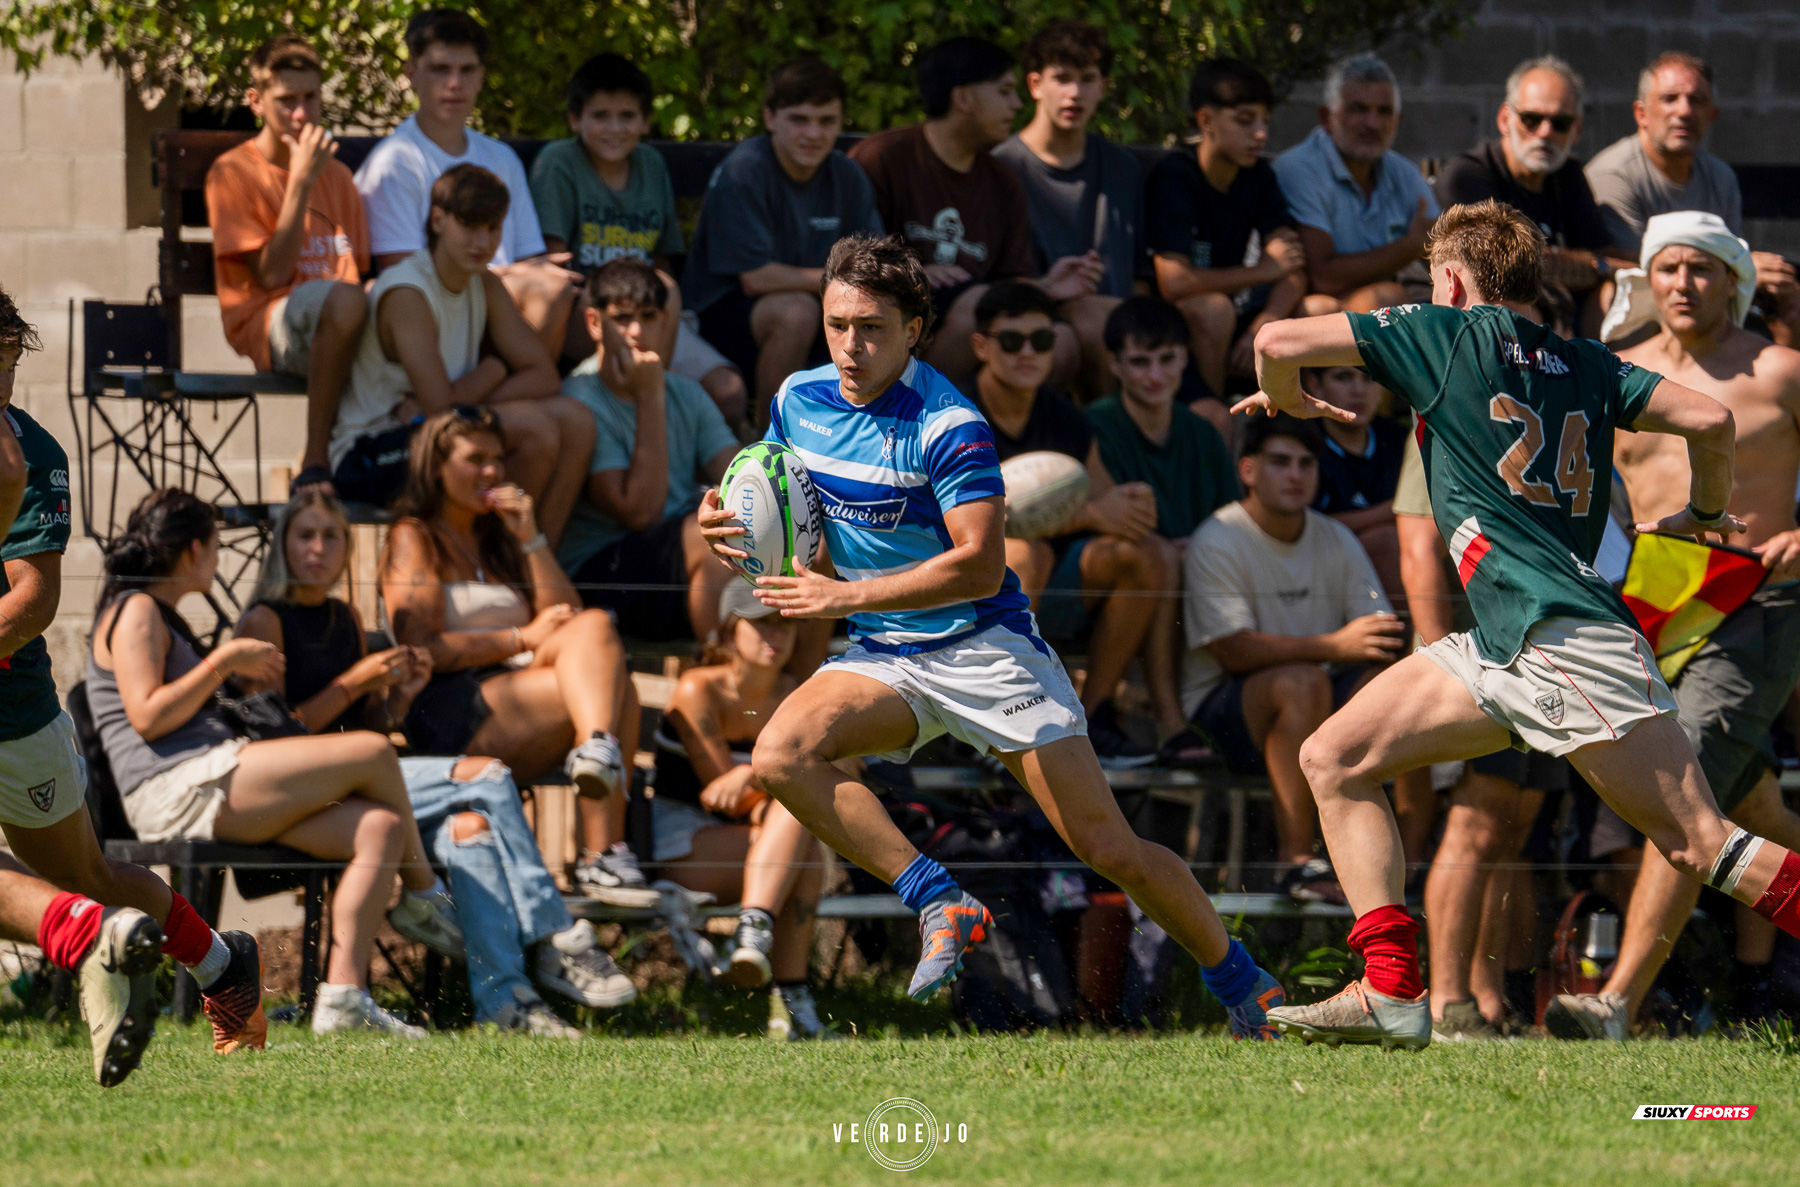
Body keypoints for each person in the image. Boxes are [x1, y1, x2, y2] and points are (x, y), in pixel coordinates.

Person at [1238, 198, 1800, 1051]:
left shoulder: (1441, 332)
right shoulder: (1587, 361)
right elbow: (1712, 418)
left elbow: (1277, 342)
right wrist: (1707, 511)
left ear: (1453, 280)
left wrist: (1292, 401)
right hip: (1505, 643)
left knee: (1701, 845)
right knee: (1334, 755)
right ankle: (1389, 987)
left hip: (1570, 640)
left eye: (1434, 281)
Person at [697, 233, 1289, 1038]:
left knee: (1107, 844)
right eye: (837, 324)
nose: (850, 345)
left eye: (871, 327)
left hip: (986, 648)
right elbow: (773, 488)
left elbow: (978, 566)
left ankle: (1246, 983)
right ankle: (940, 898)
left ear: (915, 329)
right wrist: (724, 520)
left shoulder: (950, 424)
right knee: (779, 755)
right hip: (886, 654)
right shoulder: (798, 398)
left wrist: (845, 593)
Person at [236, 490, 637, 1037]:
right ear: (282, 546)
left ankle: (508, 1002)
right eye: (304, 536)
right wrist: (357, 681)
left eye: (331, 537)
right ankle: (556, 933)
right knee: (489, 775)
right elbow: (275, 735)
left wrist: (398, 697)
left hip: (361, 782)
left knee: (469, 831)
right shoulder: (264, 618)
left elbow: (370, 732)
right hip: (299, 790)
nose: (318, 549)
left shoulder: (345, 618)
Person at [0, 294, 271, 1062]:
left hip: (16, 712)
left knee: (88, 876)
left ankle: (214, 961)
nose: (0, 386)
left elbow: (34, 598)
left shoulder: (30, 454)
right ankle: (175, 954)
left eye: (8, 367)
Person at [86, 488, 463, 1039]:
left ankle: (344, 998)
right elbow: (146, 716)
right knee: (374, 753)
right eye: (215, 547)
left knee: (379, 828)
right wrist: (225, 661)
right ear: (193, 551)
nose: (218, 561)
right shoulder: (137, 608)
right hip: (177, 786)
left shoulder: (158, 612)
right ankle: (426, 897)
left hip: (213, 778)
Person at [1550, 213, 1800, 1040]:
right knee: (1748, 800)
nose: (1684, 284)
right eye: (1668, 268)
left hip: (1761, 600)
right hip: (1654, 606)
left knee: (1687, 776)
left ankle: (1615, 1001)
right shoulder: (1618, 373)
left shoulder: (1781, 370)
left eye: (1702, 268)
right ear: (1646, 281)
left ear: (1734, 278)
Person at [377, 407, 652, 907]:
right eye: (475, 459)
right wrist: (519, 638)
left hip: (520, 699)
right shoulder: (413, 537)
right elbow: (419, 649)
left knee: (598, 639)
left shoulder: (499, 539)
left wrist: (530, 537)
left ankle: (596, 762)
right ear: (435, 467)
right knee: (618, 688)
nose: (492, 472)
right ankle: (604, 852)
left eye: (498, 460)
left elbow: (566, 617)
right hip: (451, 710)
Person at [963, 281, 1187, 765]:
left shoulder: (1064, 417)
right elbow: (963, 526)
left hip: (1054, 588)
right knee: (1023, 554)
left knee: (1150, 555)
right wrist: (1088, 513)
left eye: (1041, 341)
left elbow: (1104, 499)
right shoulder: (954, 416)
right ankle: (997, 715)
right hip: (960, 591)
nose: (1029, 352)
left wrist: (1130, 505)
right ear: (981, 346)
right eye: (1012, 341)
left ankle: (1094, 717)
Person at [1182, 414, 1401, 901]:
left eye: (1306, 463)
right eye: (1279, 462)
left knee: (1392, 690)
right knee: (1302, 682)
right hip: (1223, 712)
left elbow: (1379, 632)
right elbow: (1231, 650)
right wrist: (1331, 646)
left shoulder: (1333, 536)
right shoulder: (1218, 536)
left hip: (1315, 699)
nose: (1296, 474)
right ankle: (1297, 862)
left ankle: (1403, 861)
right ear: (1247, 470)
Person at [329, 163, 596, 546]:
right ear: (438, 220)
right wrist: (493, 370)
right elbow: (441, 409)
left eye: (492, 228)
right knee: (536, 429)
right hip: (371, 451)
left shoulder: (482, 282)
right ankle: (496, 560)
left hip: (431, 427)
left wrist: (487, 376)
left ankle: (536, 561)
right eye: (469, 226)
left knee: (577, 420)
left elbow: (543, 376)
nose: (482, 242)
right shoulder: (409, 292)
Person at [850, 37, 1102, 386]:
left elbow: (1012, 280)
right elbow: (849, 260)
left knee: (1059, 342)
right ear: (963, 97)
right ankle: (903, 411)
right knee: (980, 310)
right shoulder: (882, 158)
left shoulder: (1003, 181)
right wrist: (911, 274)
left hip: (984, 313)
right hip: (898, 310)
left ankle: (1002, 436)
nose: (1016, 104)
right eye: (1004, 91)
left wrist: (1045, 286)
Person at [653, 581, 836, 1039]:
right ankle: (791, 1000)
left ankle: (757, 941)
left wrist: (753, 780)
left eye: (784, 625)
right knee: (802, 839)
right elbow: (722, 798)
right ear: (730, 629)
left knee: (803, 844)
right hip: (680, 841)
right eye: (761, 624)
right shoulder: (699, 690)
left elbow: (845, 765)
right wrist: (766, 782)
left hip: (758, 839)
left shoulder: (798, 694)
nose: (775, 636)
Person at [529, 52, 747, 425]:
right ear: (575, 119)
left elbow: (663, 258)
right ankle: (648, 424)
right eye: (600, 116)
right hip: (585, 309)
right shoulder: (559, 163)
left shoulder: (650, 165)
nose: (614, 127)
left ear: (645, 121)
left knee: (728, 392)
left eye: (627, 116)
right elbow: (555, 264)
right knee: (639, 380)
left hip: (648, 309)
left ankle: (672, 429)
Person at [205, 35, 370, 492]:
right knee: (344, 301)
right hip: (269, 319)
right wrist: (298, 181)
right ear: (255, 102)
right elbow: (272, 275)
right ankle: (316, 461)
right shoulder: (233, 172)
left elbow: (360, 269)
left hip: (340, 314)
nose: (301, 114)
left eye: (311, 98)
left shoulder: (338, 177)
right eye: (286, 101)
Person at [683, 58, 883, 419]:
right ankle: (771, 445)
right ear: (770, 118)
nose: (813, 133)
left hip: (824, 305)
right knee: (796, 312)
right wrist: (839, 281)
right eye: (799, 119)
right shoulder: (746, 169)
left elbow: (873, 262)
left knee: (887, 311)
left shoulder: (847, 175)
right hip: (722, 317)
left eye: (826, 121)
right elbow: (755, 277)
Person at [557, 259, 739, 642]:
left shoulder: (687, 392)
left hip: (674, 562)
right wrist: (650, 395)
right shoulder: (578, 396)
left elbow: (738, 476)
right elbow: (641, 512)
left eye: (649, 316)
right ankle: (719, 676)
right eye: (622, 318)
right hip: (602, 575)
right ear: (594, 323)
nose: (637, 331)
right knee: (711, 538)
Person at [1586, 52, 1800, 346]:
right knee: (1617, 294)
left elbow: (1729, 259)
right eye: (1670, 98)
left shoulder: (1720, 176)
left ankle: (1779, 386)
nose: (1684, 111)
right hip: (1647, 297)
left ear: (1712, 115)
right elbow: (1631, 264)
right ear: (1641, 114)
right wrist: (1744, 265)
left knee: (1787, 295)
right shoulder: (1614, 174)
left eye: (1696, 100)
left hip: (1704, 291)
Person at [1147, 58, 1312, 407]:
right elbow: (1173, 282)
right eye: (1245, 120)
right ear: (1206, 120)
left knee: (1318, 309)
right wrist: (1262, 272)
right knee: (1214, 309)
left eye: (1265, 121)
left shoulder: (1258, 176)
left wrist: (1264, 325)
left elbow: (1293, 268)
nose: (1261, 134)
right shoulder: (1174, 177)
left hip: (1238, 320)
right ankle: (1217, 415)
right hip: (1169, 325)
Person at [991, 21, 1141, 399]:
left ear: (1103, 87)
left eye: (1088, 79)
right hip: (1035, 320)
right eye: (1062, 78)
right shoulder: (999, 168)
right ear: (1035, 85)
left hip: (1125, 327)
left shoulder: (1122, 168)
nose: (1075, 93)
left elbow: (1140, 271)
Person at [1434, 57, 1629, 334]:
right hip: (1466, 315)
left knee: (1620, 297)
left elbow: (1602, 255)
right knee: (1516, 312)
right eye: (1531, 119)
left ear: (1577, 130)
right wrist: (1594, 266)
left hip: (1555, 308)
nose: (1545, 132)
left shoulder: (1568, 175)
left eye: (1560, 123)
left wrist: (1600, 265)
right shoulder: (1467, 176)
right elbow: (1500, 271)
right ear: (1504, 119)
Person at [1272, 53, 1438, 314]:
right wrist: (1410, 246)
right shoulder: (1298, 169)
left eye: (1383, 112)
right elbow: (1324, 278)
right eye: (1358, 109)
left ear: (1398, 120)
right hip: (1297, 314)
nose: (1372, 123)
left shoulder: (1404, 173)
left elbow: (1447, 252)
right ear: (1327, 117)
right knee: (1329, 306)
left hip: (1368, 315)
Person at [1302, 364, 1406, 597]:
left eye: (1369, 378)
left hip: (1405, 558)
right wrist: (1393, 510)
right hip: (1318, 573)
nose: (1358, 390)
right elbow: (1302, 526)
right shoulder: (1302, 442)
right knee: (1387, 540)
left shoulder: (1397, 437)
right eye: (1343, 377)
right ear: (1314, 385)